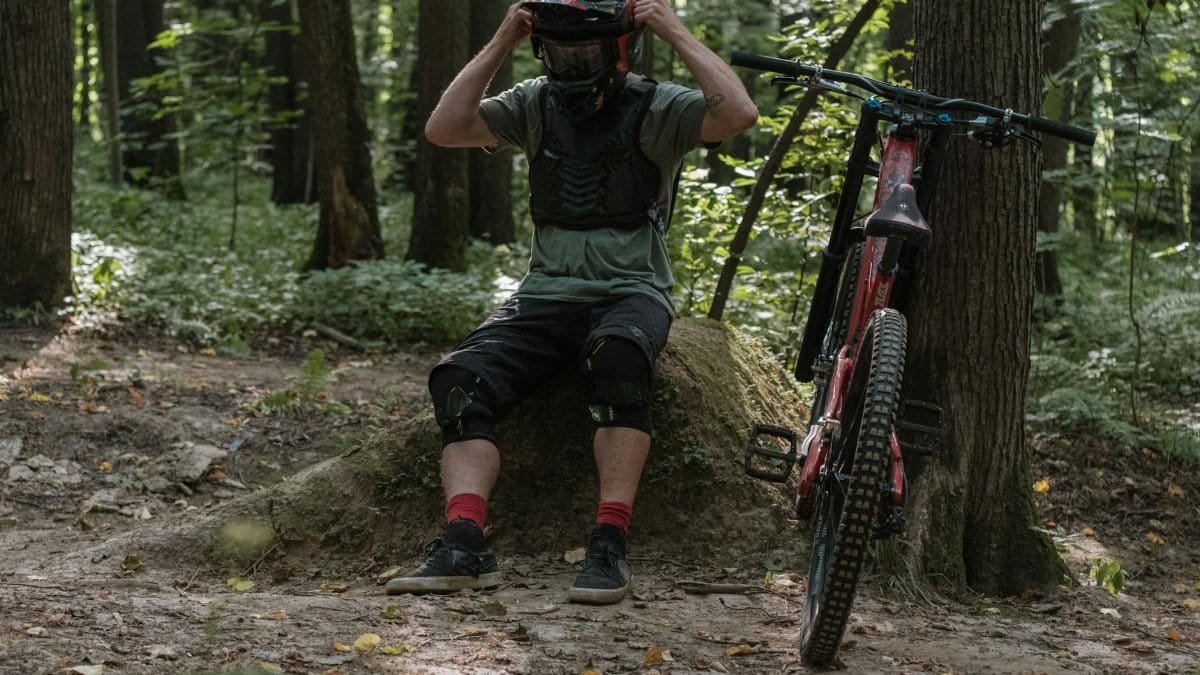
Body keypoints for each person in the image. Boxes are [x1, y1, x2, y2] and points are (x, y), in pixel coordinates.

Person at [386, 0, 757, 605]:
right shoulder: (532, 102)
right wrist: (502, 39)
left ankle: (609, 541)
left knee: (617, 360)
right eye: (559, 49)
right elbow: (444, 128)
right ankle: (464, 543)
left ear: (618, 48)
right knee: (458, 381)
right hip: (543, 295)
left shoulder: (657, 105)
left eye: (585, 49)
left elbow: (738, 113)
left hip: (633, 292)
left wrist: (670, 27)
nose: (572, 61)